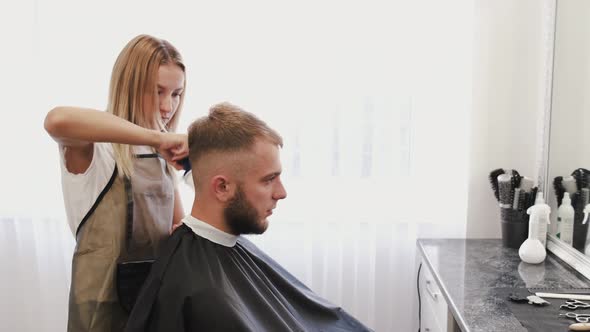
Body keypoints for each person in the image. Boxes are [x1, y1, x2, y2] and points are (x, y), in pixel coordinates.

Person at [125, 102, 372, 332]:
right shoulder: (195, 289)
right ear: (222, 188)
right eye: (268, 180)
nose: (281, 193)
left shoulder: (216, 251)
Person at [44, 34, 189, 332]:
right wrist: (157, 137)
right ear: (130, 85)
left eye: (176, 94)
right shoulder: (98, 149)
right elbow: (56, 120)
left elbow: (177, 231)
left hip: (152, 304)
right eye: (157, 91)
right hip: (101, 310)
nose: (167, 106)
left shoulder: (162, 158)